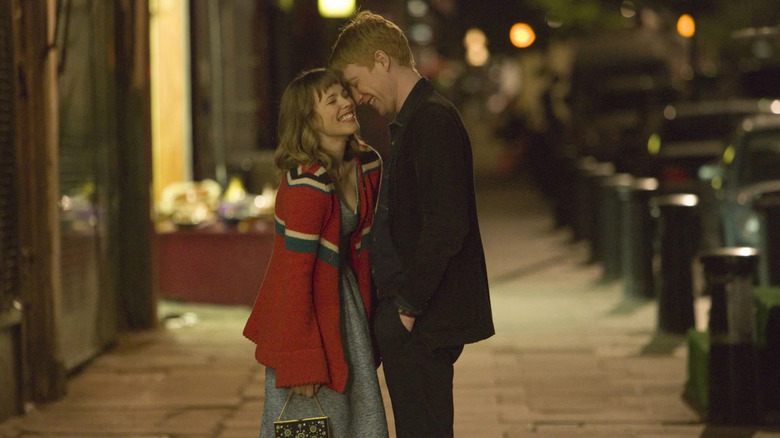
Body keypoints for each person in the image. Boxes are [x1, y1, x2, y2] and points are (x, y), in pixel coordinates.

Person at [330, 11, 495, 438]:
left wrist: (406, 308)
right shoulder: (412, 119)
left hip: (422, 318)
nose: (354, 97)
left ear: (382, 61)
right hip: (414, 315)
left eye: (354, 82)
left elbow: (446, 224)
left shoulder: (431, 119)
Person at [242, 68, 388, 438]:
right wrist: (299, 364)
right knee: (317, 425)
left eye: (345, 94)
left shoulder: (366, 165)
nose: (347, 103)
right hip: (307, 320)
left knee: (359, 422)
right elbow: (293, 277)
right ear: (308, 119)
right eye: (332, 100)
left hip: (346, 309)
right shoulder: (305, 186)